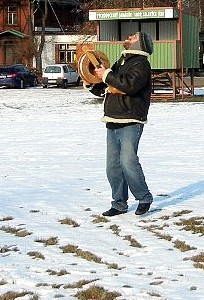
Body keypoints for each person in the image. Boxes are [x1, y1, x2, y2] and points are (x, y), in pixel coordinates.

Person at [84, 32, 155, 217]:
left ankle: (144, 198)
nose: (129, 37)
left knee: (128, 161)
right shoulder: (121, 62)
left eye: (133, 37)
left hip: (131, 120)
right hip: (113, 119)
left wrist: (106, 74)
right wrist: (92, 83)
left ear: (139, 44)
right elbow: (108, 86)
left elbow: (129, 86)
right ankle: (119, 203)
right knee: (113, 166)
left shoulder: (141, 64)